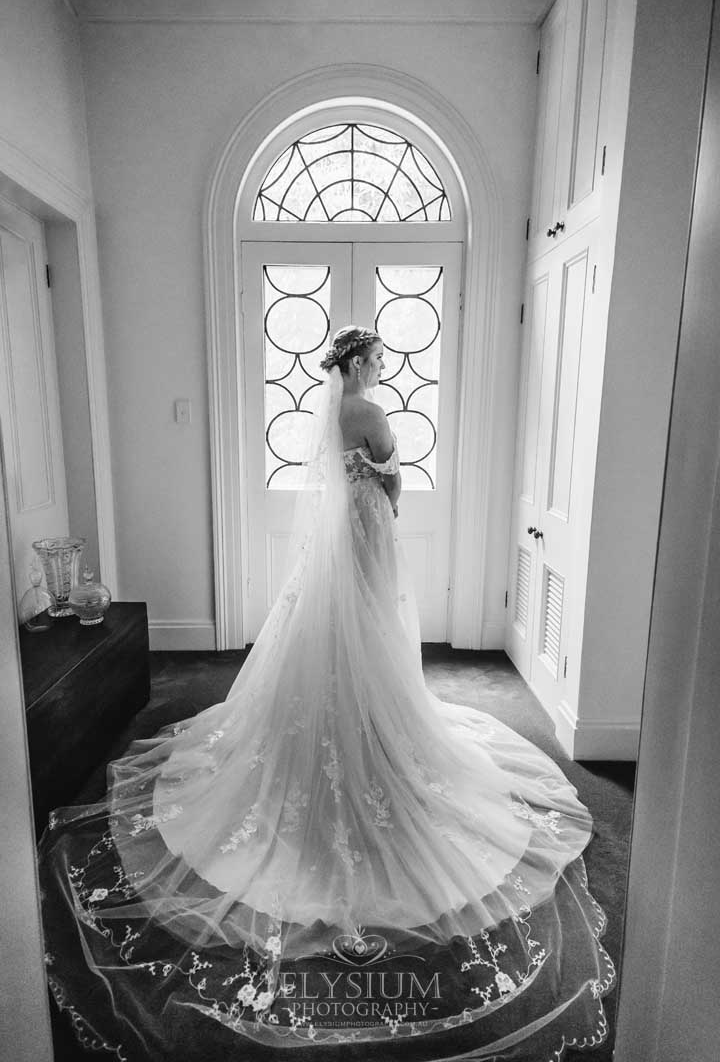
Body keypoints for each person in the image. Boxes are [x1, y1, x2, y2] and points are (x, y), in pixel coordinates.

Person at [39, 326, 615, 1061]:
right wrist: (392, 478)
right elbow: (393, 480)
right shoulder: (370, 413)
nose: (381, 366)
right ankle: (375, 726)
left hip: (334, 541)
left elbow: (339, 476)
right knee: (371, 628)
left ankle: (349, 718)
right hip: (369, 533)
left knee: (329, 631)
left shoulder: (327, 407)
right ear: (355, 362)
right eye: (375, 358)